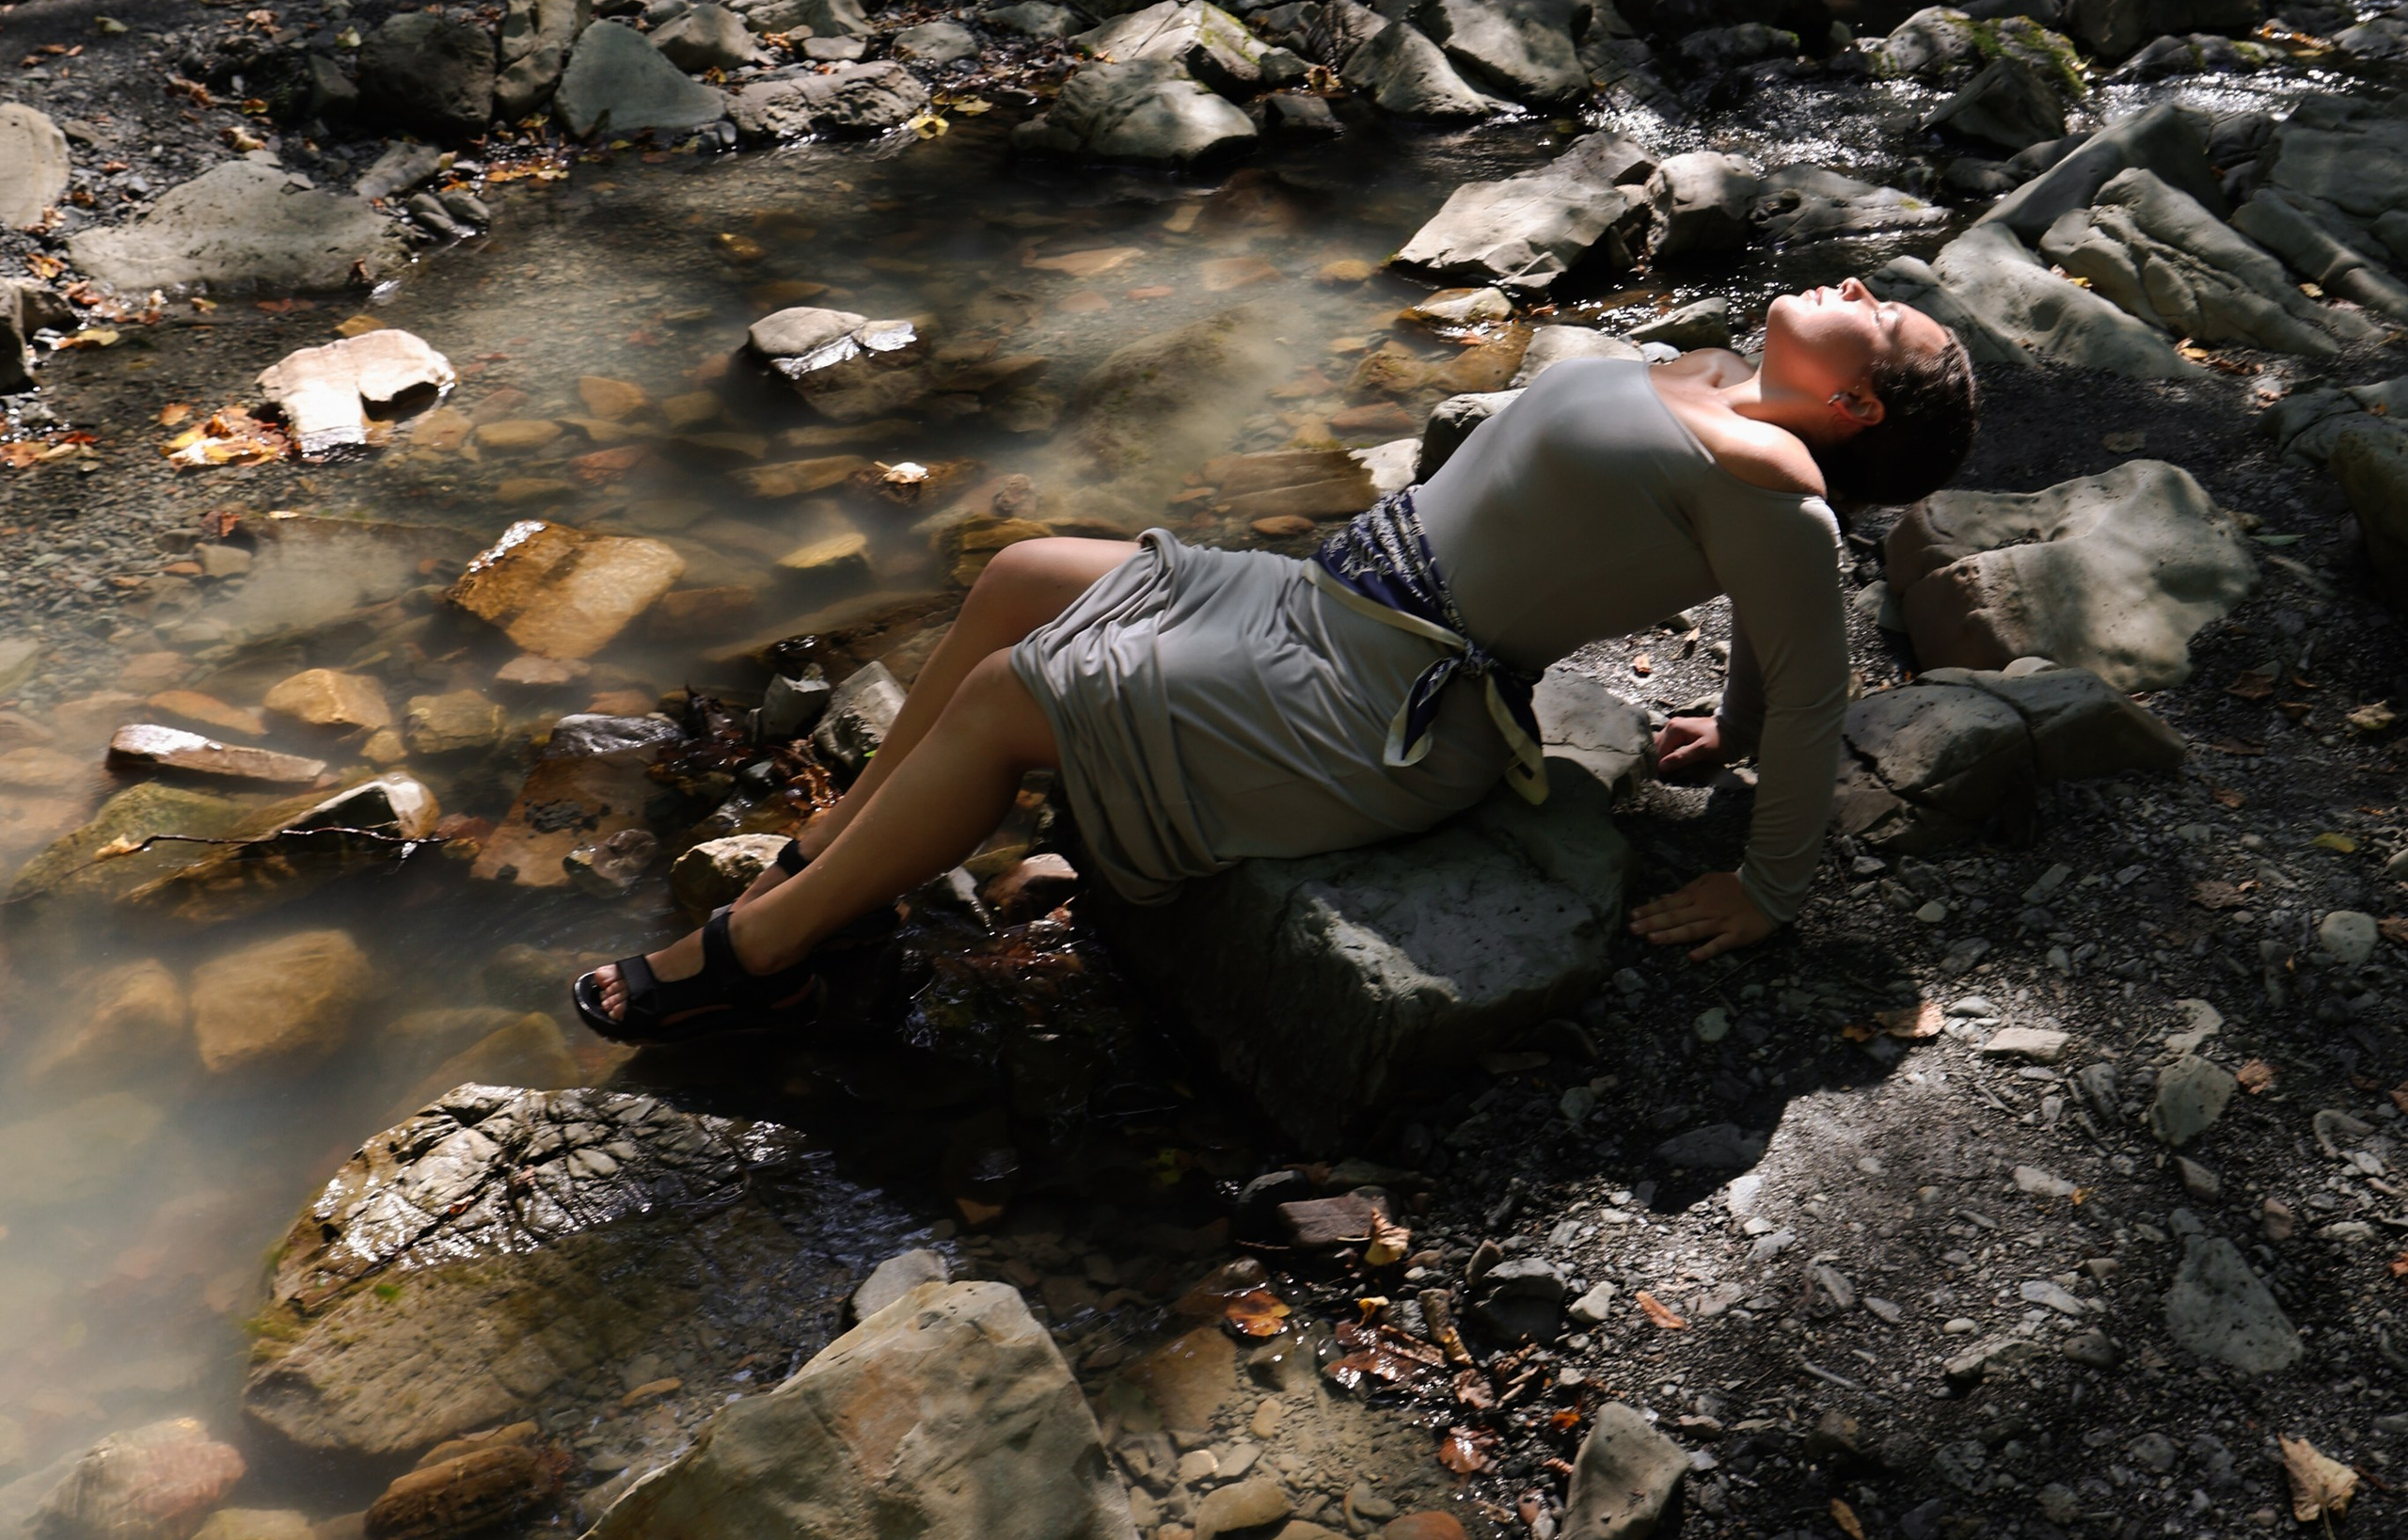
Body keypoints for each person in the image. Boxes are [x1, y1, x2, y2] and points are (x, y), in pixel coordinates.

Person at [573, 275, 1976, 1042]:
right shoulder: (1716, 377)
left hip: (1386, 697)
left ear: (1853, 401)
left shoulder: (1780, 495)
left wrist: (1770, 882)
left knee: (1018, 694)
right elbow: (1755, 655)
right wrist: (1716, 735)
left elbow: (1810, 675)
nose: (1858, 280)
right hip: (1309, 601)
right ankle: (841, 853)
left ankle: (763, 955)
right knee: (1017, 579)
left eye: (1882, 311)